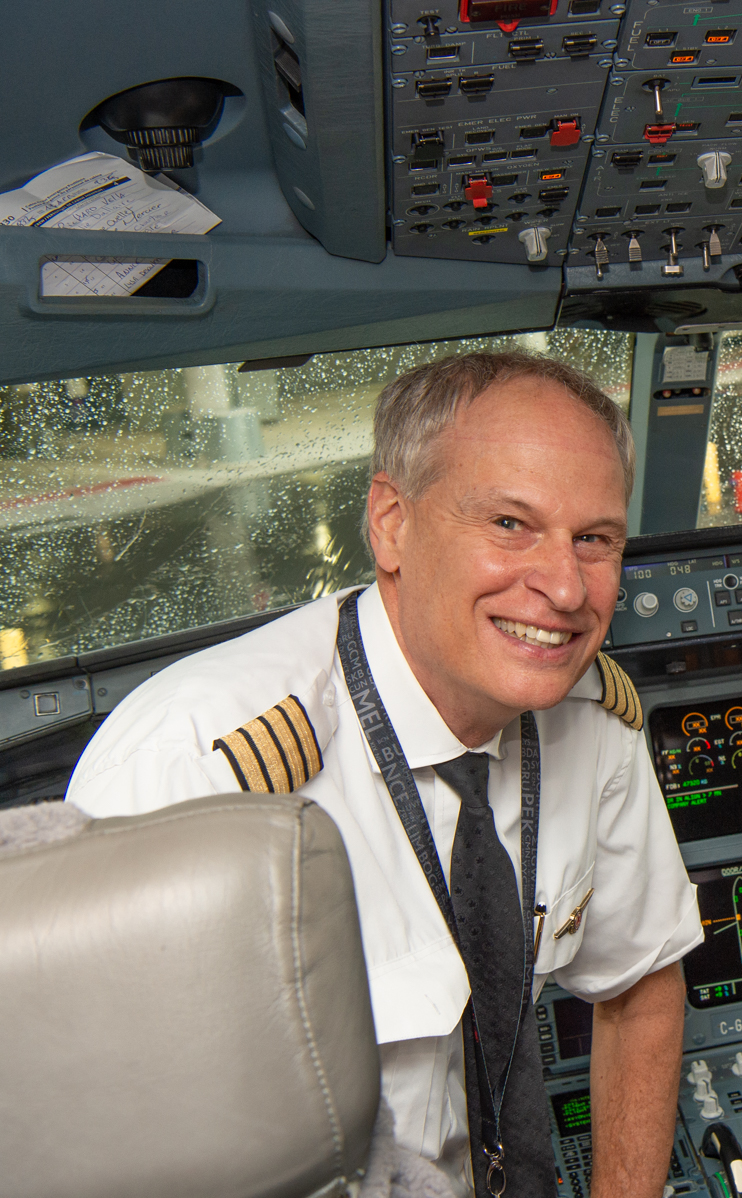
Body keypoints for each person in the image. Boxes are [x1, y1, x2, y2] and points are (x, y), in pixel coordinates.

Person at [66, 351, 702, 1198]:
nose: (563, 587)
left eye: (594, 539)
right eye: (510, 524)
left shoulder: (590, 718)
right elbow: (111, 1143)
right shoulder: (193, 771)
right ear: (392, 523)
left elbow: (643, 984)